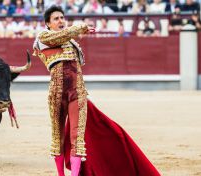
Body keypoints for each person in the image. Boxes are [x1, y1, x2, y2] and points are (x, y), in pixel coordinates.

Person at [33, 5, 161, 176]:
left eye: (62, 17)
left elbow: (69, 46)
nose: (61, 21)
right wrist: (80, 27)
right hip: (56, 93)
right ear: (48, 24)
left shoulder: (72, 43)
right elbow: (61, 36)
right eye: (56, 18)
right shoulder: (43, 37)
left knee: (77, 139)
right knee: (57, 138)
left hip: (77, 92)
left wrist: (78, 30)